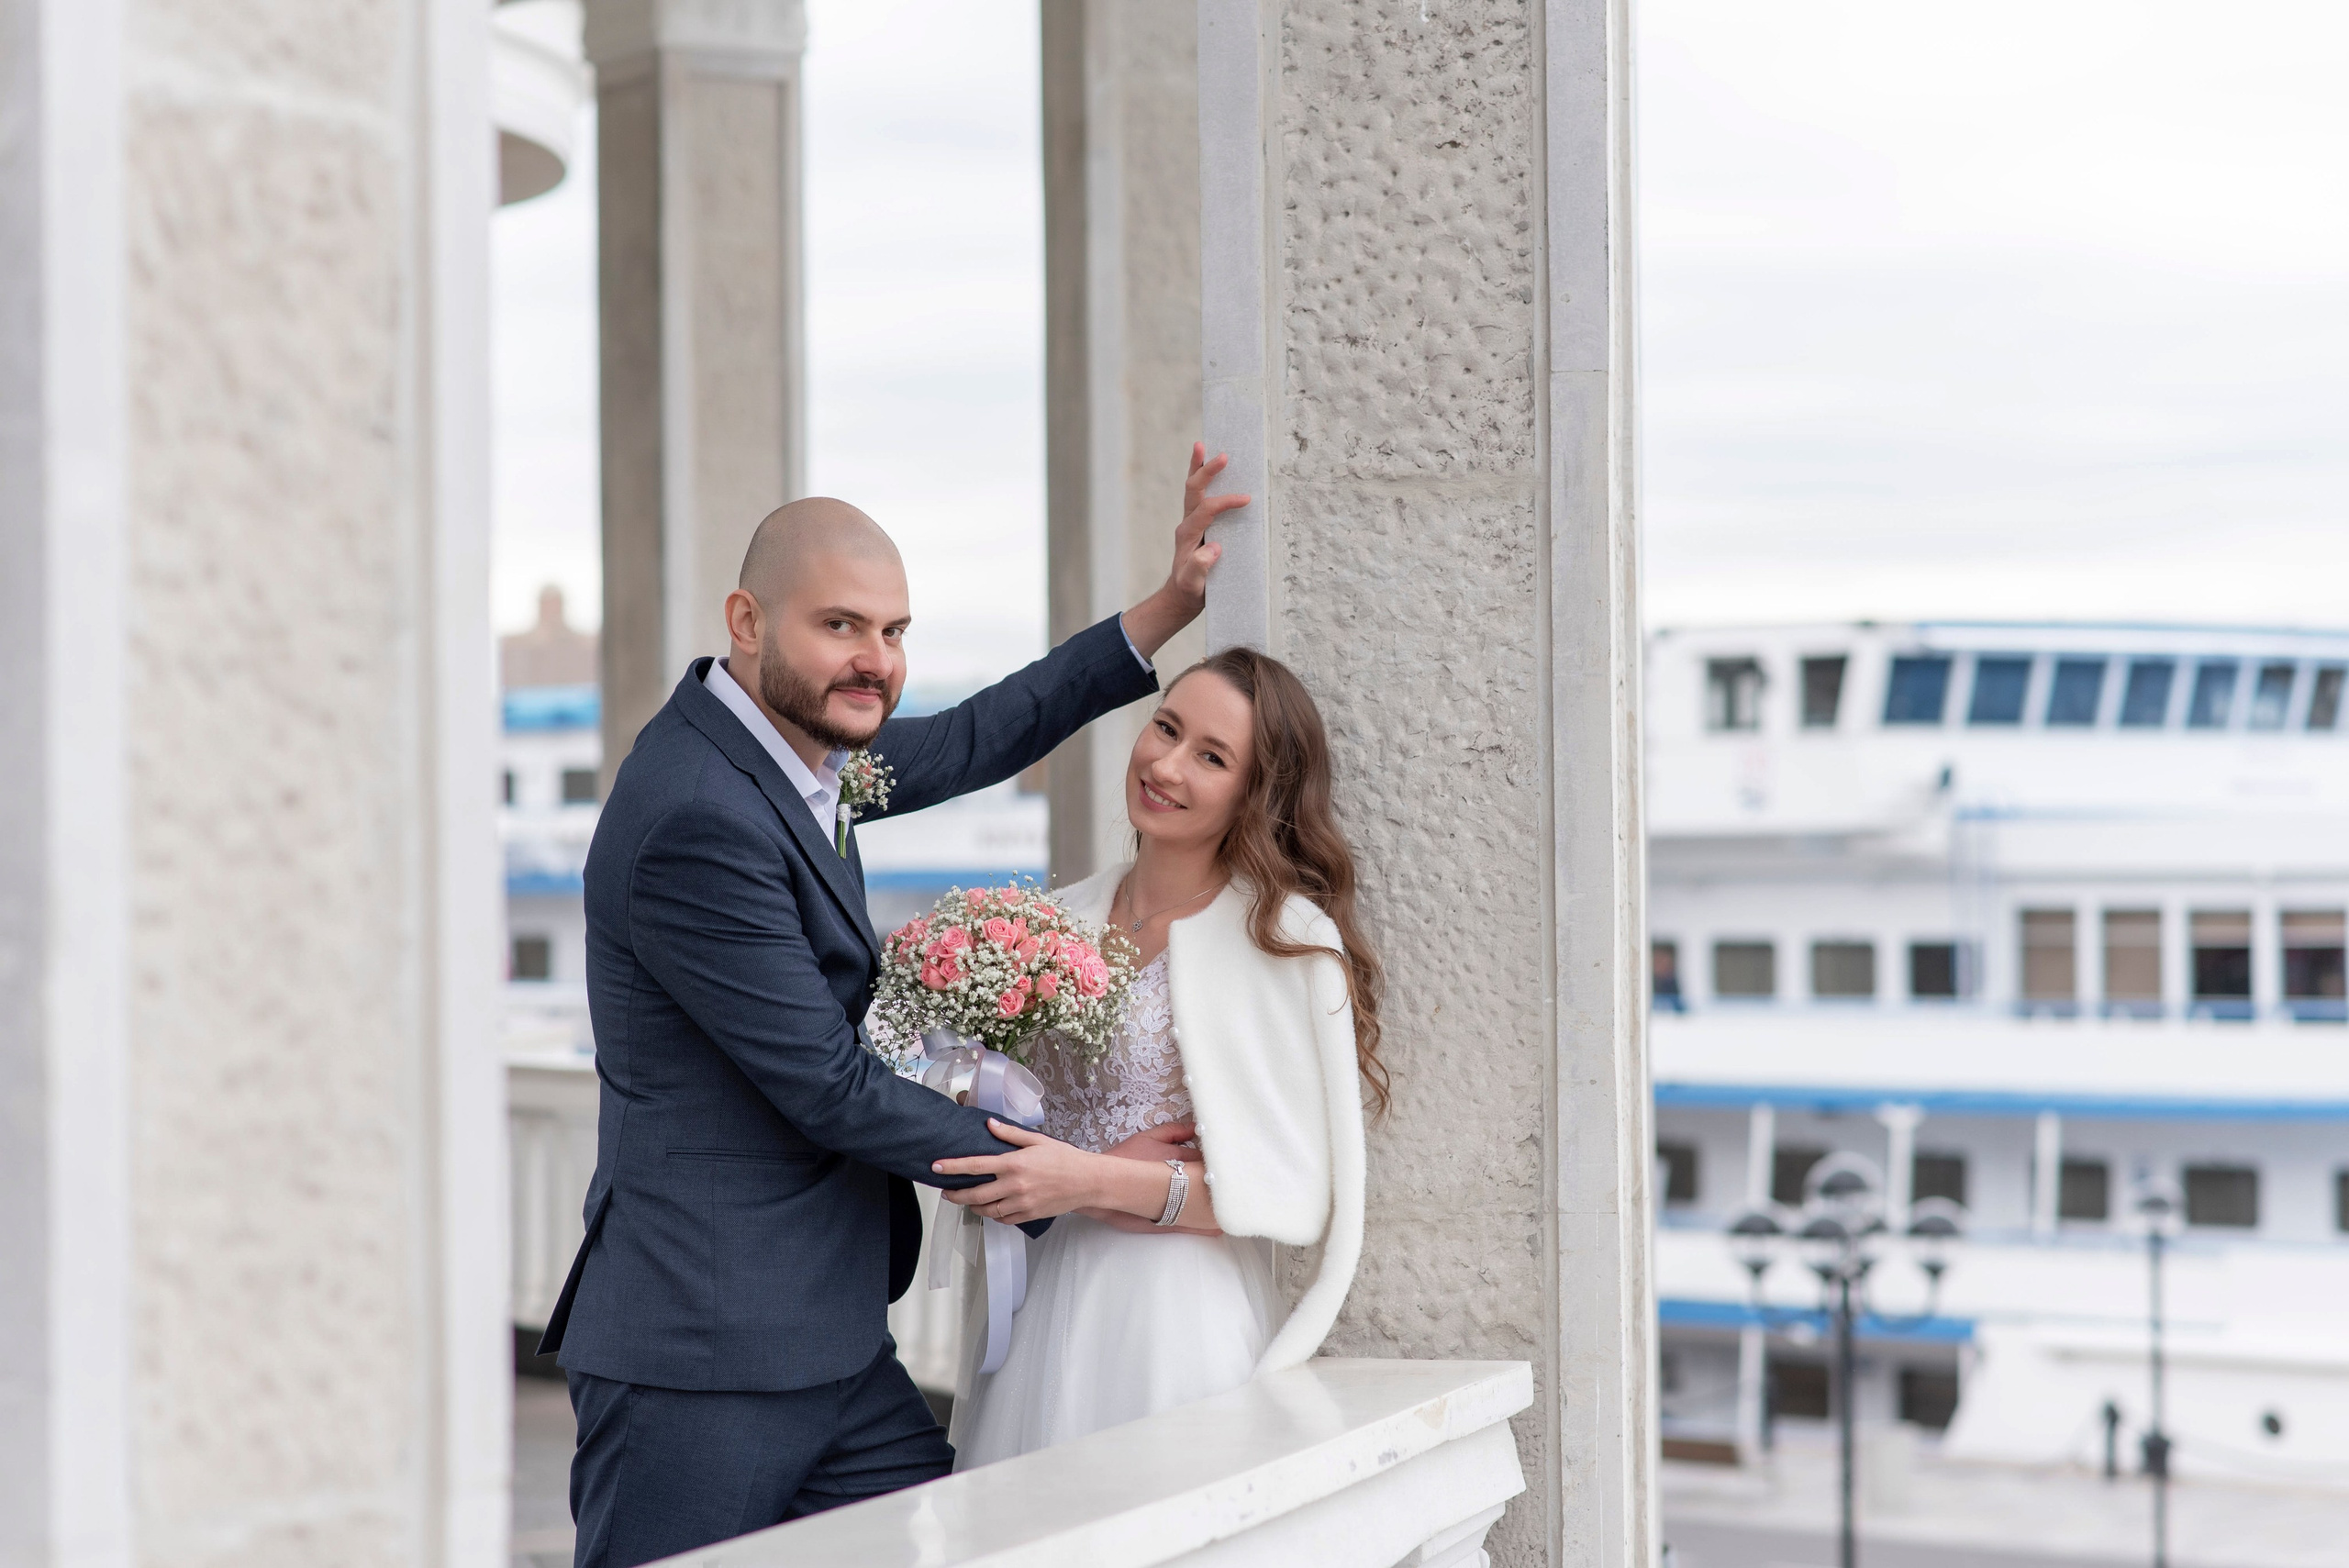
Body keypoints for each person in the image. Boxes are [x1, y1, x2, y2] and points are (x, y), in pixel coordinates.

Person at [540, 450, 1246, 1568]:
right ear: (747, 619)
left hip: (827, 1339)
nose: (877, 662)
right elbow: (828, 1081)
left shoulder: (805, 755)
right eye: (841, 625)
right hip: (702, 1349)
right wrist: (1066, 1165)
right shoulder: (697, 812)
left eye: (896, 630)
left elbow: (975, 735)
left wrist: (1166, 609)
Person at [931, 646, 1388, 1465]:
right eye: (1166, 727)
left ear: (1257, 793)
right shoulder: (1053, 920)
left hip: (1178, 1319)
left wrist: (1098, 1178)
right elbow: (1007, 1121)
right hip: (1038, 1302)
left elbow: (1295, 1191)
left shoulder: (1285, 941)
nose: (1166, 764)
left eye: (1211, 756)